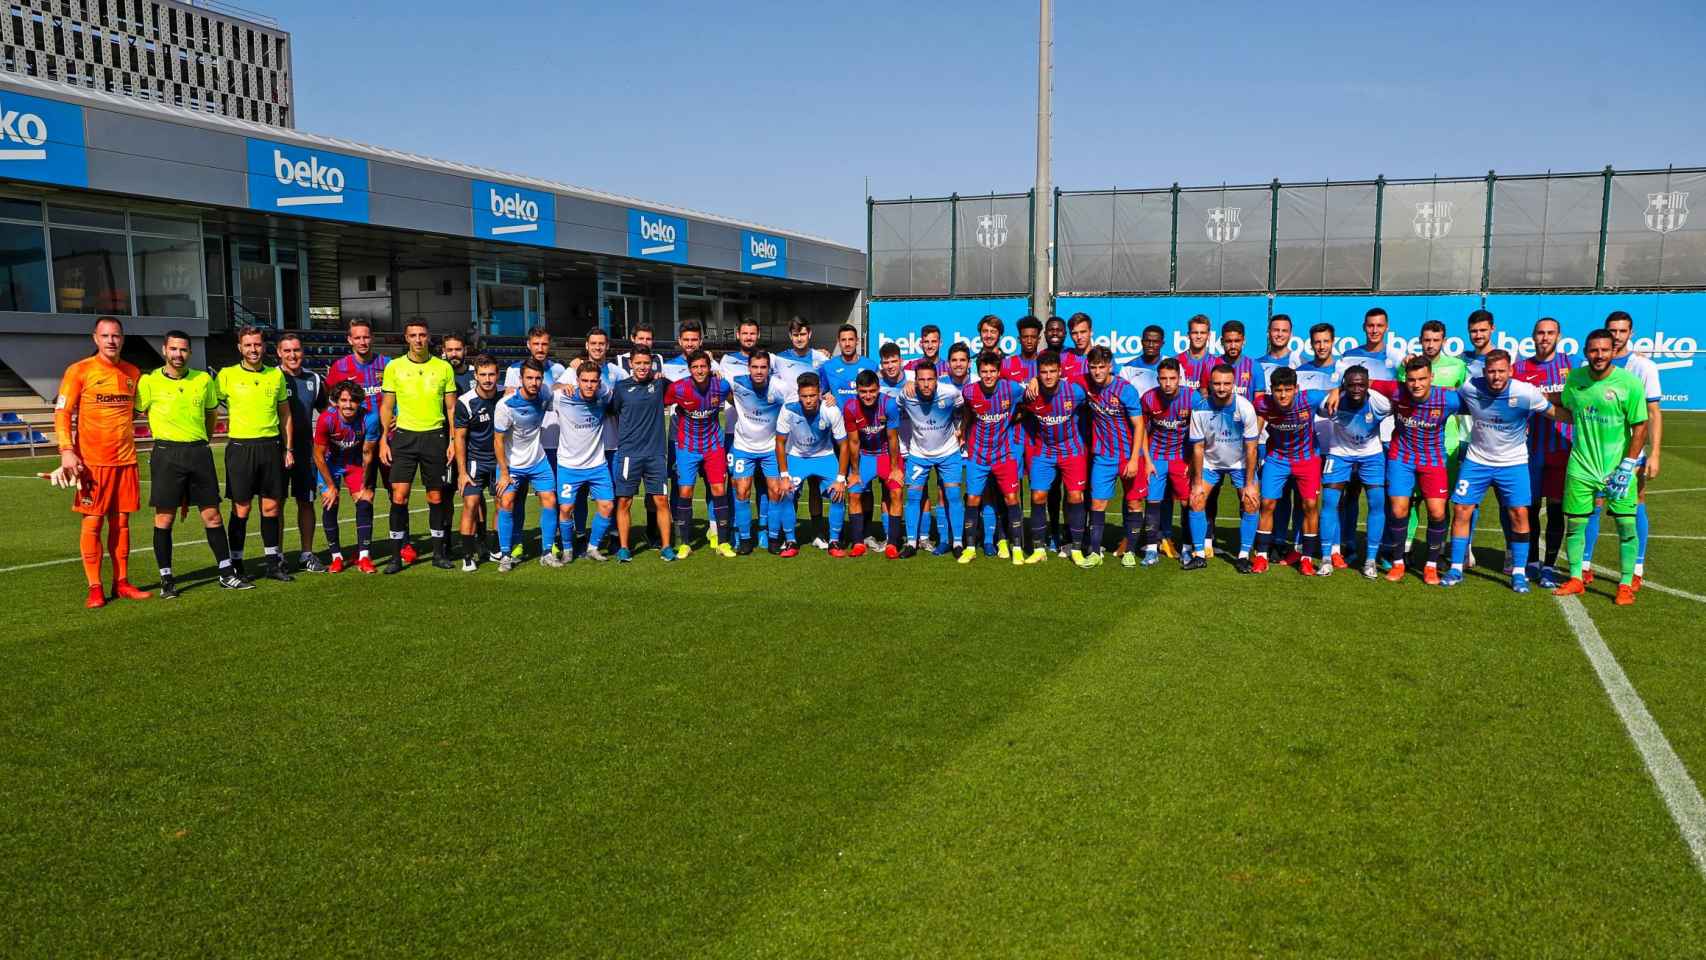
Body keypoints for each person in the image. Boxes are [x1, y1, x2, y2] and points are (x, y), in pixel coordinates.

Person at [1327, 355, 1463, 584]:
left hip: (1433, 460)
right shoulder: (1396, 390)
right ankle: (1398, 562)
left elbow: (1481, 404)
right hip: (1402, 458)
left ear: (1432, 377)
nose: (1416, 384)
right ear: (1405, 379)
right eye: (1411, 379)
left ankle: (1430, 565)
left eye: (1421, 379)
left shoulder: (1449, 399)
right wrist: (1335, 389)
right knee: (1399, 510)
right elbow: (1362, 382)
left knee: (1438, 512)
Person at [135, 330, 246, 596]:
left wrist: (203, 441)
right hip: (166, 454)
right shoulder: (149, 382)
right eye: (173, 349)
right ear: (164, 350)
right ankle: (167, 579)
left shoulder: (203, 380)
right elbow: (135, 411)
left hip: (198, 453)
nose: (178, 355)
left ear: (190, 353)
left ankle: (226, 572)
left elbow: (211, 416)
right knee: (165, 517)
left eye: (183, 350)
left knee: (212, 515)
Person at [55, 317, 148, 607]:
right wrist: (67, 450)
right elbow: (62, 412)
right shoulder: (79, 370)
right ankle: (95, 587)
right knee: (93, 523)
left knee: (121, 524)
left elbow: (134, 413)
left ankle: (121, 582)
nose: (111, 340)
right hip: (92, 464)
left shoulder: (133, 373)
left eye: (116, 336)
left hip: (125, 462)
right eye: (105, 335)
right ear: (95, 338)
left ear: (123, 339)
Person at [1551, 329, 1648, 605]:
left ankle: (1626, 583)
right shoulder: (1576, 380)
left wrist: (1629, 464)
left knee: (1626, 527)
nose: (1599, 355)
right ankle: (1575, 579)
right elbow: (1565, 405)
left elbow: (1640, 425)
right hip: (1581, 467)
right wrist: (1534, 400)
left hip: (1618, 469)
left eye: (1604, 350)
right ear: (1586, 352)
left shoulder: (1629, 383)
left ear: (1613, 351)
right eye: (1594, 350)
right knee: (1575, 526)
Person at [1443, 350, 1553, 592]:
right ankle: (1455, 568)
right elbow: (1452, 400)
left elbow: (1554, 412)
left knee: (1519, 514)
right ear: (1484, 372)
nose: (1496, 376)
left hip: (1513, 463)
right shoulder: (1471, 387)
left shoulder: (1525, 393)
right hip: (1477, 461)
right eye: (1491, 371)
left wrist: (1583, 418)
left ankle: (1519, 573)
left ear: (1510, 371)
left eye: (1501, 371)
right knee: (1461, 510)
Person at [1580, 310, 1663, 591]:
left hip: (1631, 453)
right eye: (1611, 331)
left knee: (1635, 504)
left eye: (1622, 331)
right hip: (1595, 454)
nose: (1616, 337)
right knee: (1593, 505)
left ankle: (1636, 569)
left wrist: (1654, 454)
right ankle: (1584, 566)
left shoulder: (1643, 367)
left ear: (1631, 333)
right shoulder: (1588, 365)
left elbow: (1653, 412)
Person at [378, 319, 459, 573]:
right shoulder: (394, 367)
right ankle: (395, 557)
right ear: (406, 338)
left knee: (435, 497)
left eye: (422, 335)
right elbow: (387, 406)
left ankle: (437, 553)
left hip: (434, 438)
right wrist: (383, 439)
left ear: (429, 337)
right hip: (403, 438)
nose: (418, 340)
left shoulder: (443, 367)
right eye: (413, 335)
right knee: (399, 496)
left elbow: (451, 408)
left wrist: (454, 440)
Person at [217, 326, 295, 583]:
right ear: (240, 347)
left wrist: (288, 448)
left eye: (257, 344)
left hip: (271, 447)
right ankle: (237, 564)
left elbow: (285, 414)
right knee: (242, 508)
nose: (253, 349)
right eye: (248, 345)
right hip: (240, 448)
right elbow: (210, 405)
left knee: (271, 508)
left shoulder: (275, 376)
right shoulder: (226, 376)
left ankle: (273, 564)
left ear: (264, 347)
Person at [1314, 366, 1391, 580]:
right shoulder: (1331, 403)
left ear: (1368, 384)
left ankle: (1370, 561)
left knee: (1377, 503)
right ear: (1343, 385)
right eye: (1351, 384)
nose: (1356, 388)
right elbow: (1316, 409)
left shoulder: (1379, 403)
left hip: (1371, 455)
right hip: (1339, 453)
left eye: (1361, 384)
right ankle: (1327, 559)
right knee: (1329, 502)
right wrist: (1334, 391)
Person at [1514, 318, 1573, 585]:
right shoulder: (1519, 368)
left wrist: (1544, 398)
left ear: (1558, 336)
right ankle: (1532, 561)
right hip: (1530, 450)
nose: (1545, 337)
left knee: (1557, 510)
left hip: (1561, 447)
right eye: (1540, 333)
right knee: (1531, 507)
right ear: (1533, 336)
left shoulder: (1571, 367)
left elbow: (1577, 400)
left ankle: (1549, 565)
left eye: (1550, 333)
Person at [1186, 364, 1261, 570]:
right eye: (1217, 383)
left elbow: (1252, 449)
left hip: (1240, 463)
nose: (1221, 388)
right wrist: (1197, 483)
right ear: (1210, 384)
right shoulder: (1200, 409)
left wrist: (1249, 484)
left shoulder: (1244, 407)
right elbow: (1199, 448)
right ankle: (1199, 554)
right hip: (1211, 463)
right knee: (1196, 500)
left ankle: (1244, 555)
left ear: (1233, 384)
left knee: (1251, 502)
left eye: (1226, 383)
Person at [1018, 350, 1089, 564]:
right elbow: (1015, 405)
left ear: (1060, 372)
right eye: (1043, 373)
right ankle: (1039, 549)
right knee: (1038, 496)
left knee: (1075, 496)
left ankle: (1076, 548)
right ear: (1037, 374)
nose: (1048, 376)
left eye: (1052, 372)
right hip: (1044, 452)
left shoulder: (1075, 392)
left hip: (1072, 451)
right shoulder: (1030, 395)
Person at [1251, 367, 1324, 576]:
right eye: (1278, 390)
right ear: (1271, 390)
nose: (1283, 395)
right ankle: (1262, 556)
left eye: (1288, 390)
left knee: (1310, 505)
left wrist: (1337, 391)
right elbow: (1247, 415)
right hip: (1277, 459)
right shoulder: (1262, 404)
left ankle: (1307, 559)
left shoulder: (1311, 398)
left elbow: (1337, 393)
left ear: (1297, 389)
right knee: (1267, 504)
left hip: (1307, 460)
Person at [1079, 345, 1146, 568]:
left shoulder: (1125, 390)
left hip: (1128, 455)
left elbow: (1139, 425)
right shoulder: (1086, 384)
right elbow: (1060, 382)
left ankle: (1130, 550)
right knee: (1097, 503)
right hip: (1103, 456)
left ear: (1110, 367)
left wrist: (1135, 459)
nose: (1097, 372)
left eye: (1101, 367)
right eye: (1093, 367)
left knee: (1134, 503)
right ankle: (1096, 552)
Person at [663, 349, 735, 556]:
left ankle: (723, 542)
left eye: (703, 366)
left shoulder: (721, 386)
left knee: (719, 490)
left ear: (710, 368)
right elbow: (662, 402)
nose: (699, 370)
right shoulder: (678, 388)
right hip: (687, 447)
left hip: (713, 447)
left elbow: (734, 400)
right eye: (695, 367)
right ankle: (685, 543)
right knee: (685, 492)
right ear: (689, 369)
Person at [957, 352, 1026, 565]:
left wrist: (1014, 418)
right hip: (978, 455)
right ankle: (969, 548)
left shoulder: (1012, 389)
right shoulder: (969, 391)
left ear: (998, 372)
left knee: (1011, 499)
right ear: (979, 372)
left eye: (992, 372)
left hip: (1003, 455)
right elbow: (968, 412)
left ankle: (1017, 548)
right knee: (973, 499)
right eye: (984, 371)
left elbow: (1029, 402)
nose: (988, 376)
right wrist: (963, 431)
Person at [608, 346, 676, 562]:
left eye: (646, 363)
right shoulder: (620, 388)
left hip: (656, 454)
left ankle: (666, 546)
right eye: (638, 363)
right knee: (624, 501)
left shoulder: (660, 384)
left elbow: (685, 389)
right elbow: (611, 410)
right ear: (631, 364)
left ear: (652, 364)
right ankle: (625, 548)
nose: (642, 367)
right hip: (629, 454)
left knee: (661, 501)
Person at [492, 360, 561, 570]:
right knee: (507, 502)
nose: (534, 382)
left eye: (538, 378)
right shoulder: (505, 405)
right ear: (521, 379)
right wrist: (504, 472)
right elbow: (498, 440)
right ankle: (505, 554)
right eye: (529, 378)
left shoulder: (544, 395)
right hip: (512, 463)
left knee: (550, 499)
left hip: (538, 460)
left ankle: (547, 552)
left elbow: (558, 396)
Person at [502, 326, 564, 557]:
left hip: (551, 441)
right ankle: (516, 540)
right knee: (516, 496)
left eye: (544, 344)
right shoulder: (514, 369)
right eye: (536, 344)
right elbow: (510, 398)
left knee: (549, 495)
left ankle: (552, 540)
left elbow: (563, 392)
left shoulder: (558, 369)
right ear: (528, 345)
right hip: (521, 445)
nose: (540, 348)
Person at [772, 372, 849, 557]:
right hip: (798, 456)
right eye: (804, 396)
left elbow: (844, 445)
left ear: (820, 393)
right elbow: (780, 443)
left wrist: (840, 478)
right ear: (798, 395)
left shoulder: (831, 410)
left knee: (838, 493)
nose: (808, 400)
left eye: (812, 395)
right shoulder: (788, 409)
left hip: (825, 456)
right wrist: (783, 476)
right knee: (787, 492)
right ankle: (790, 541)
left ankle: (834, 541)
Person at [895, 363, 964, 558]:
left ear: (937, 379)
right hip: (919, 453)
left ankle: (957, 542)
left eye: (930, 379)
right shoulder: (906, 395)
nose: (926, 384)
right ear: (915, 381)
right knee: (914, 497)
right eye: (921, 380)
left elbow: (962, 409)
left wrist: (961, 429)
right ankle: (911, 543)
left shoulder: (950, 392)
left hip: (949, 451)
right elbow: (895, 410)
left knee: (953, 495)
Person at [551, 359, 617, 562]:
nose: (589, 385)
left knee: (607, 506)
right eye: (585, 380)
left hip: (597, 465)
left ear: (599, 382)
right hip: (569, 466)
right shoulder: (561, 397)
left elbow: (612, 393)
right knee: (565, 509)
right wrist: (561, 384)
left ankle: (593, 547)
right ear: (577, 380)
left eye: (594, 381)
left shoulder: (603, 397)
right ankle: (568, 549)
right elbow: (545, 390)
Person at [312, 381, 381, 574]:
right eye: (343, 400)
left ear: (359, 402)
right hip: (330, 463)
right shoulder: (326, 419)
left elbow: (368, 454)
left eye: (353, 401)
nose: (348, 405)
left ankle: (364, 556)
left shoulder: (370, 418)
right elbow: (318, 455)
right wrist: (330, 486)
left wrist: (366, 484)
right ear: (336, 402)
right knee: (329, 502)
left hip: (354, 463)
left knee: (365, 501)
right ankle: (336, 557)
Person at [724, 349, 789, 555]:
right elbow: (716, 383)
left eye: (763, 367)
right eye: (755, 367)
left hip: (771, 448)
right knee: (742, 490)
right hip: (743, 446)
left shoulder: (780, 388)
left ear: (769, 369)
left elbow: (800, 401)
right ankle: (744, 539)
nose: (759, 371)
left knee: (775, 492)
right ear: (748, 367)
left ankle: (772, 538)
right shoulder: (736, 382)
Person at [277, 332, 328, 573]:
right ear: (279, 353)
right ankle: (275, 555)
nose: (292, 355)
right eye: (287, 351)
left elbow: (327, 413)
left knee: (306, 502)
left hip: (305, 451)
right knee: (274, 504)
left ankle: (306, 554)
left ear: (303, 352)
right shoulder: (271, 378)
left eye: (296, 350)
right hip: (275, 450)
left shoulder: (314, 380)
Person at [842, 369, 906, 558]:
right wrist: (854, 472)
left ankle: (893, 543)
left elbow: (893, 438)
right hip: (865, 457)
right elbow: (853, 442)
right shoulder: (851, 408)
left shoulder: (889, 405)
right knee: (853, 493)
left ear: (878, 389)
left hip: (887, 455)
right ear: (857, 391)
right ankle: (858, 542)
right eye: (863, 391)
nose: (868, 396)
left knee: (896, 491)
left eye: (871, 391)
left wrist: (895, 469)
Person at [1139, 358, 1196, 568]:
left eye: (1172, 378)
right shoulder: (1148, 398)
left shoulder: (1193, 398)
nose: (1168, 383)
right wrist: (1147, 459)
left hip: (1182, 458)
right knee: (1153, 501)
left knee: (1186, 502)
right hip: (1156, 457)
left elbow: (1200, 433)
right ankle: (1152, 549)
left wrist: (1192, 461)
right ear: (1158, 379)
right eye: (1163, 378)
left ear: (1180, 379)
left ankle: (1187, 549)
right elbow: (1142, 430)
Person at [324, 318, 389, 492]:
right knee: (364, 491)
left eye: (366, 337)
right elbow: (330, 399)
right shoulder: (340, 367)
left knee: (397, 493)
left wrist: (399, 415)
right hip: (357, 441)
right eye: (358, 338)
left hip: (387, 438)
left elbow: (400, 396)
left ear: (372, 338)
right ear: (349, 340)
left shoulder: (388, 364)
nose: (362, 342)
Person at [453, 355, 503, 570]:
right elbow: (460, 438)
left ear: (497, 375)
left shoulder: (505, 396)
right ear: (475, 376)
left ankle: (495, 548)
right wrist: (462, 472)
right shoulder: (465, 402)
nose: (488, 379)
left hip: (500, 462)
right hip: (475, 462)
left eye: (491, 374)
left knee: (501, 504)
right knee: (471, 504)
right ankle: (467, 555)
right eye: (483, 374)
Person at [1176, 314, 1216, 387]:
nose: (1199, 336)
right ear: (1188, 335)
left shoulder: (1216, 363)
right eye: (1195, 332)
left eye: (1203, 333)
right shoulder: (1176, 361)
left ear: (1209, 335)